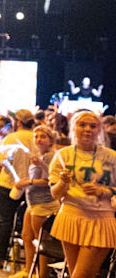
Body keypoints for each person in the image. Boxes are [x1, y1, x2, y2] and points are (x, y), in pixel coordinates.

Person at [49, 111, 116, 278]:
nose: (87, 129)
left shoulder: (111, 157)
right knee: (75, 274)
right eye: (82, 125)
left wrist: (104, 191)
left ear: (100, 130)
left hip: (100, 219)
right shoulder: (63, 155)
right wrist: (63, 182)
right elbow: (55, 194)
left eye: (93, 126)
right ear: (73, 127)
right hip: (71, 216)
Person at [8, 125, 60, 278]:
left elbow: (51, 179)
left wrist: (29, 181)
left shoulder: (51, 156)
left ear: (51, 140)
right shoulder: (40, 156)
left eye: (43, 136)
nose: (38, 139)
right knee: (26, 236)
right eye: (36, 136)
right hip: (33, 202)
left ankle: (42, 274)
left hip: (44, 203)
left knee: (41, 242)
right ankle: (27, 270)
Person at [0, 109, 35, 267]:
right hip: (31, 186)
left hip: (9, 183)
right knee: (28, 225)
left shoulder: (11, 138)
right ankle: (29, 263)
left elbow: (1, 161)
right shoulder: (38, 138)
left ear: (18, 122)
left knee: (5, 221)